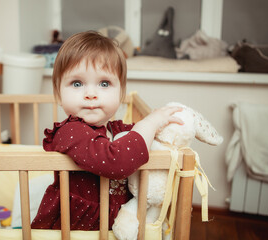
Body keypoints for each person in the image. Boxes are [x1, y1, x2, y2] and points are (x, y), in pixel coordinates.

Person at [30, 31, 183, 230]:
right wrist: (150, 123)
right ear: (58, 94)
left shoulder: (117, 130)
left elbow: (141, 139)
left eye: (104, 83)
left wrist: (165, 126)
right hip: (76, 229)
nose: (91, 94)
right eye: (77, 83)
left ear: (121, 93)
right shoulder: (70, 132)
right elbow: (116, 161)